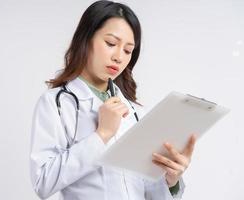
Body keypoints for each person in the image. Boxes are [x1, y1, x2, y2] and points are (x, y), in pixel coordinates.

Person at [30, 1, 196, 199]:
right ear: (86, 39)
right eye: (110, 44)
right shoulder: (56, 103)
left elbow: (150, 193)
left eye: (128, 50)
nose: (119, 57)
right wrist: (102, 135)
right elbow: (43, 182)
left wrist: (171, 180)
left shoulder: (134, 112)